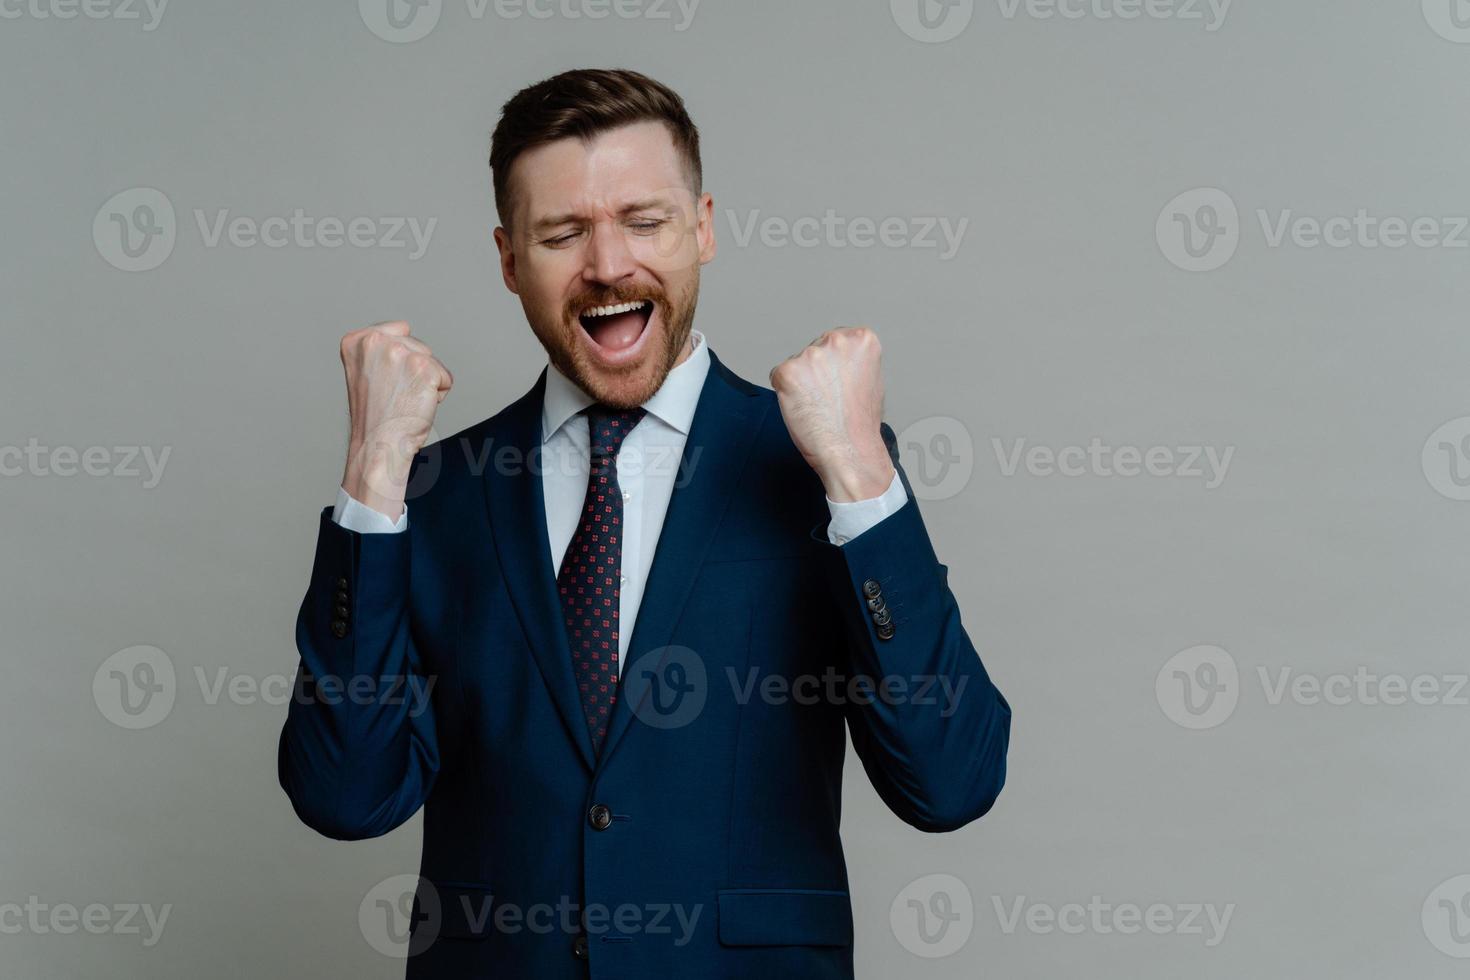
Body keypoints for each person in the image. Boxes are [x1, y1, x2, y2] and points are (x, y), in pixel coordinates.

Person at [278, 67, 1011, 979]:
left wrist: (862, 475)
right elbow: (344, 797)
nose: (609, 264)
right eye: (563, 232)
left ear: (702, 228)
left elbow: (951, 783)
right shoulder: (430, 495)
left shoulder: (821, 468)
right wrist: (370, 478)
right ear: (509, 260)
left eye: (645, 220)